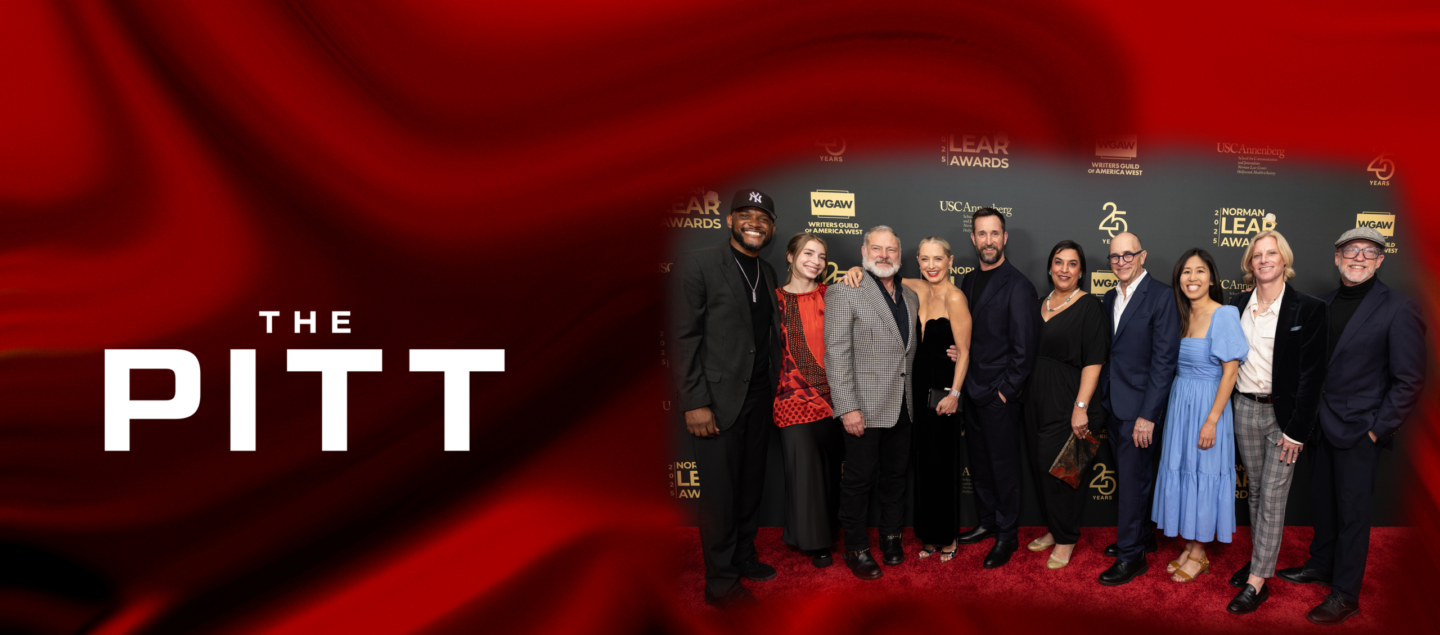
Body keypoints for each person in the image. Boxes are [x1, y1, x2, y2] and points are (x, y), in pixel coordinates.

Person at [1276, 227, 1425, 625]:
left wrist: (1378, 429)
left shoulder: (1398, 307)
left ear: (1380, 259)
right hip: (1319, 426)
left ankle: (1346, 594)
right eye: (1351, 250)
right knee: (1323, 504)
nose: (1359, 257)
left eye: (1368, 251)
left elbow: (1409, 379)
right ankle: (1320, 565)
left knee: (1353, 515)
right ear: (1337, 258)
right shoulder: (1321, 304)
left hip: (1360, 430)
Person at [668, 189, 783, 608]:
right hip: (715, 402)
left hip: (759, 398)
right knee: (719, 496)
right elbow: (683, 338)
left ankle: (743, 556)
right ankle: (720, 583)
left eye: (763, 218)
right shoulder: (698, 263)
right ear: (729, 220)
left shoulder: (767, 271)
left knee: (750, 487)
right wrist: (694, 402)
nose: (755, 223)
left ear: (772, 227)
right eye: (746, 215)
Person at [842, 237, 972, 562]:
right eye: (925, 259)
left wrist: (955, 395)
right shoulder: (912, 287)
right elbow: (880, 274)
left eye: (938, 259)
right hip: (914, 392)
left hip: (943, 393)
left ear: (950, 261)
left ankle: (948, 537)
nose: (931, 265)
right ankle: (929, 536)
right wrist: (857, 269)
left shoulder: (955, 297)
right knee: (923, 466)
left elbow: (965, 352)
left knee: (943, 466)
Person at [1223, 231, 1328, 615]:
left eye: (1271, 253)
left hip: (1285, 419)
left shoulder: (1309, 309)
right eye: (1257, 255)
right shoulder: (1236, 305)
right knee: (1255, 493)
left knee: (1272, 496)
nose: (1264, 260)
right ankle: (1260, 561)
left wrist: (1298, 430)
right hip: (1244, 409)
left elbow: (1313, 376)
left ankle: (1257, 580)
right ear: (1249, 264)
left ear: (1284, 260)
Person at [825, 225, 920, 580]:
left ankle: (891, 537)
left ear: (899, 255)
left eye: (891, 249)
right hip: (862, 408)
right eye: (876, 249)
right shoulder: (844, 291)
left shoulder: (910, 296)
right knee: (858, 481)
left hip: (903, 405)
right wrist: (847, 407)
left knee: (895, 478)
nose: (884, 255)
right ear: (864, 252)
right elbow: (836, 353)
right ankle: (855, 547)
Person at [1152, 248, 1246, 583]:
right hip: (1181, 404)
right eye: (1186, 272)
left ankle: (1199, 553)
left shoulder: (1224, 314)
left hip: (1209, 405)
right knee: (1184, 471)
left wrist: (1212, 420)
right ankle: (1191, 544)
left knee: (1204, 472)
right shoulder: (1180, 314)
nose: (1192, 278)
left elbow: (1230, 372)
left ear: (1212, 278)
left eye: (1200, 271)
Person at [953, 208, 1039, 569]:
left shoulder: (1018, 285)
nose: (988, 241)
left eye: (994, 233)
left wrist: (1005, 391)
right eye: (981, 234)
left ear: (1004, 238)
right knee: (980, 464)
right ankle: (988, 521)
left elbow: (1025, 348)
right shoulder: (967, 281)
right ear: (973, 239)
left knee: (1003, 467)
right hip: (971, 391)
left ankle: (1007, 534)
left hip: (999, 396)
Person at [1096, 232, 1181, 587]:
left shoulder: (1161, 296)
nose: (1121, 262)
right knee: (1134, 479)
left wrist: (1148, 415)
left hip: (1140, 409)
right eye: (1115, 257)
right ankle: (1142, 537)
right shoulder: (1109, 297)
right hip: (1114, 404)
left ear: (1142, 256)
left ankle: (1131, 557)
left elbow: (1164, 362)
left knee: (1133, 483)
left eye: (1128, 255)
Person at [1022, 240, 1109, 570]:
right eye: (1058, 262)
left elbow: (1095, 361)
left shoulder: (1090, 307)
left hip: (1069, 400)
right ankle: (1054, 529)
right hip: (1035, 400)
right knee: (1041, 468)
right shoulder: (1039, 304)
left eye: (1072, 264)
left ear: (1081, 272)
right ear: (1050, 267)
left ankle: (1067, 538)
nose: (1064, 269)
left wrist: (1081, 406)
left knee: (1064, 472)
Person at [772, 233, 842, 569]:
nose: (816, 261)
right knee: (805, 471)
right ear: (790, 256)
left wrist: (860, 272)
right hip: (791, 397)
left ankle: (828, 530)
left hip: (833, 398)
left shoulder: (832, 295)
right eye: (808, 253)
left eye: (822, 256)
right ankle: (816, 542)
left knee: (828, 471)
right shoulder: (774, 300)